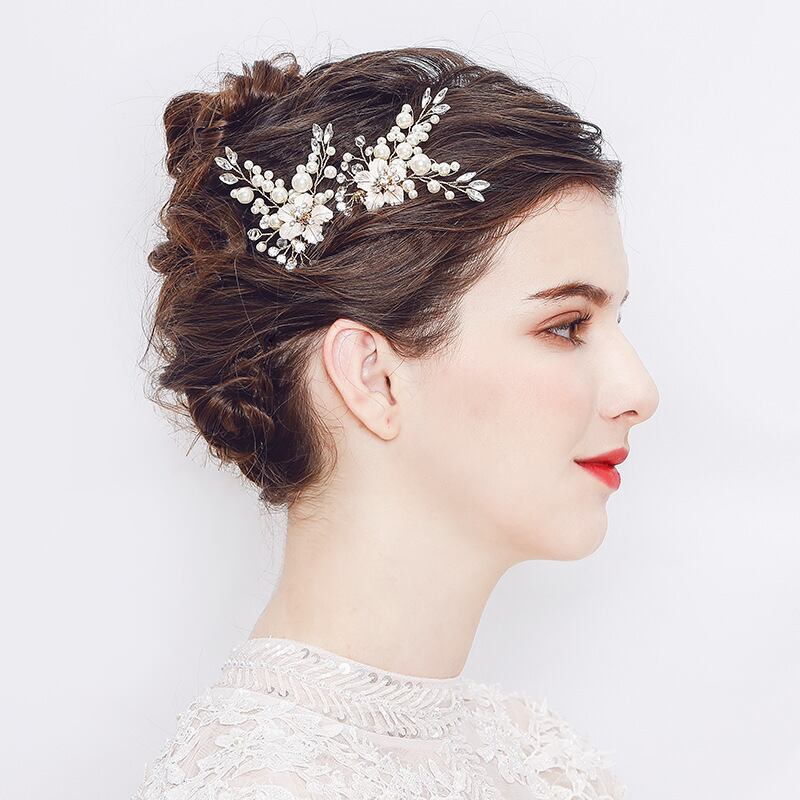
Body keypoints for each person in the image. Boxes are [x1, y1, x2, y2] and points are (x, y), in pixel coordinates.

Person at [134, 44, 659, 800]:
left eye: (615, 323)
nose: (639, 391)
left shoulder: (543, 761)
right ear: (372, 377)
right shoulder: (264, 785)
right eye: (566, 326)